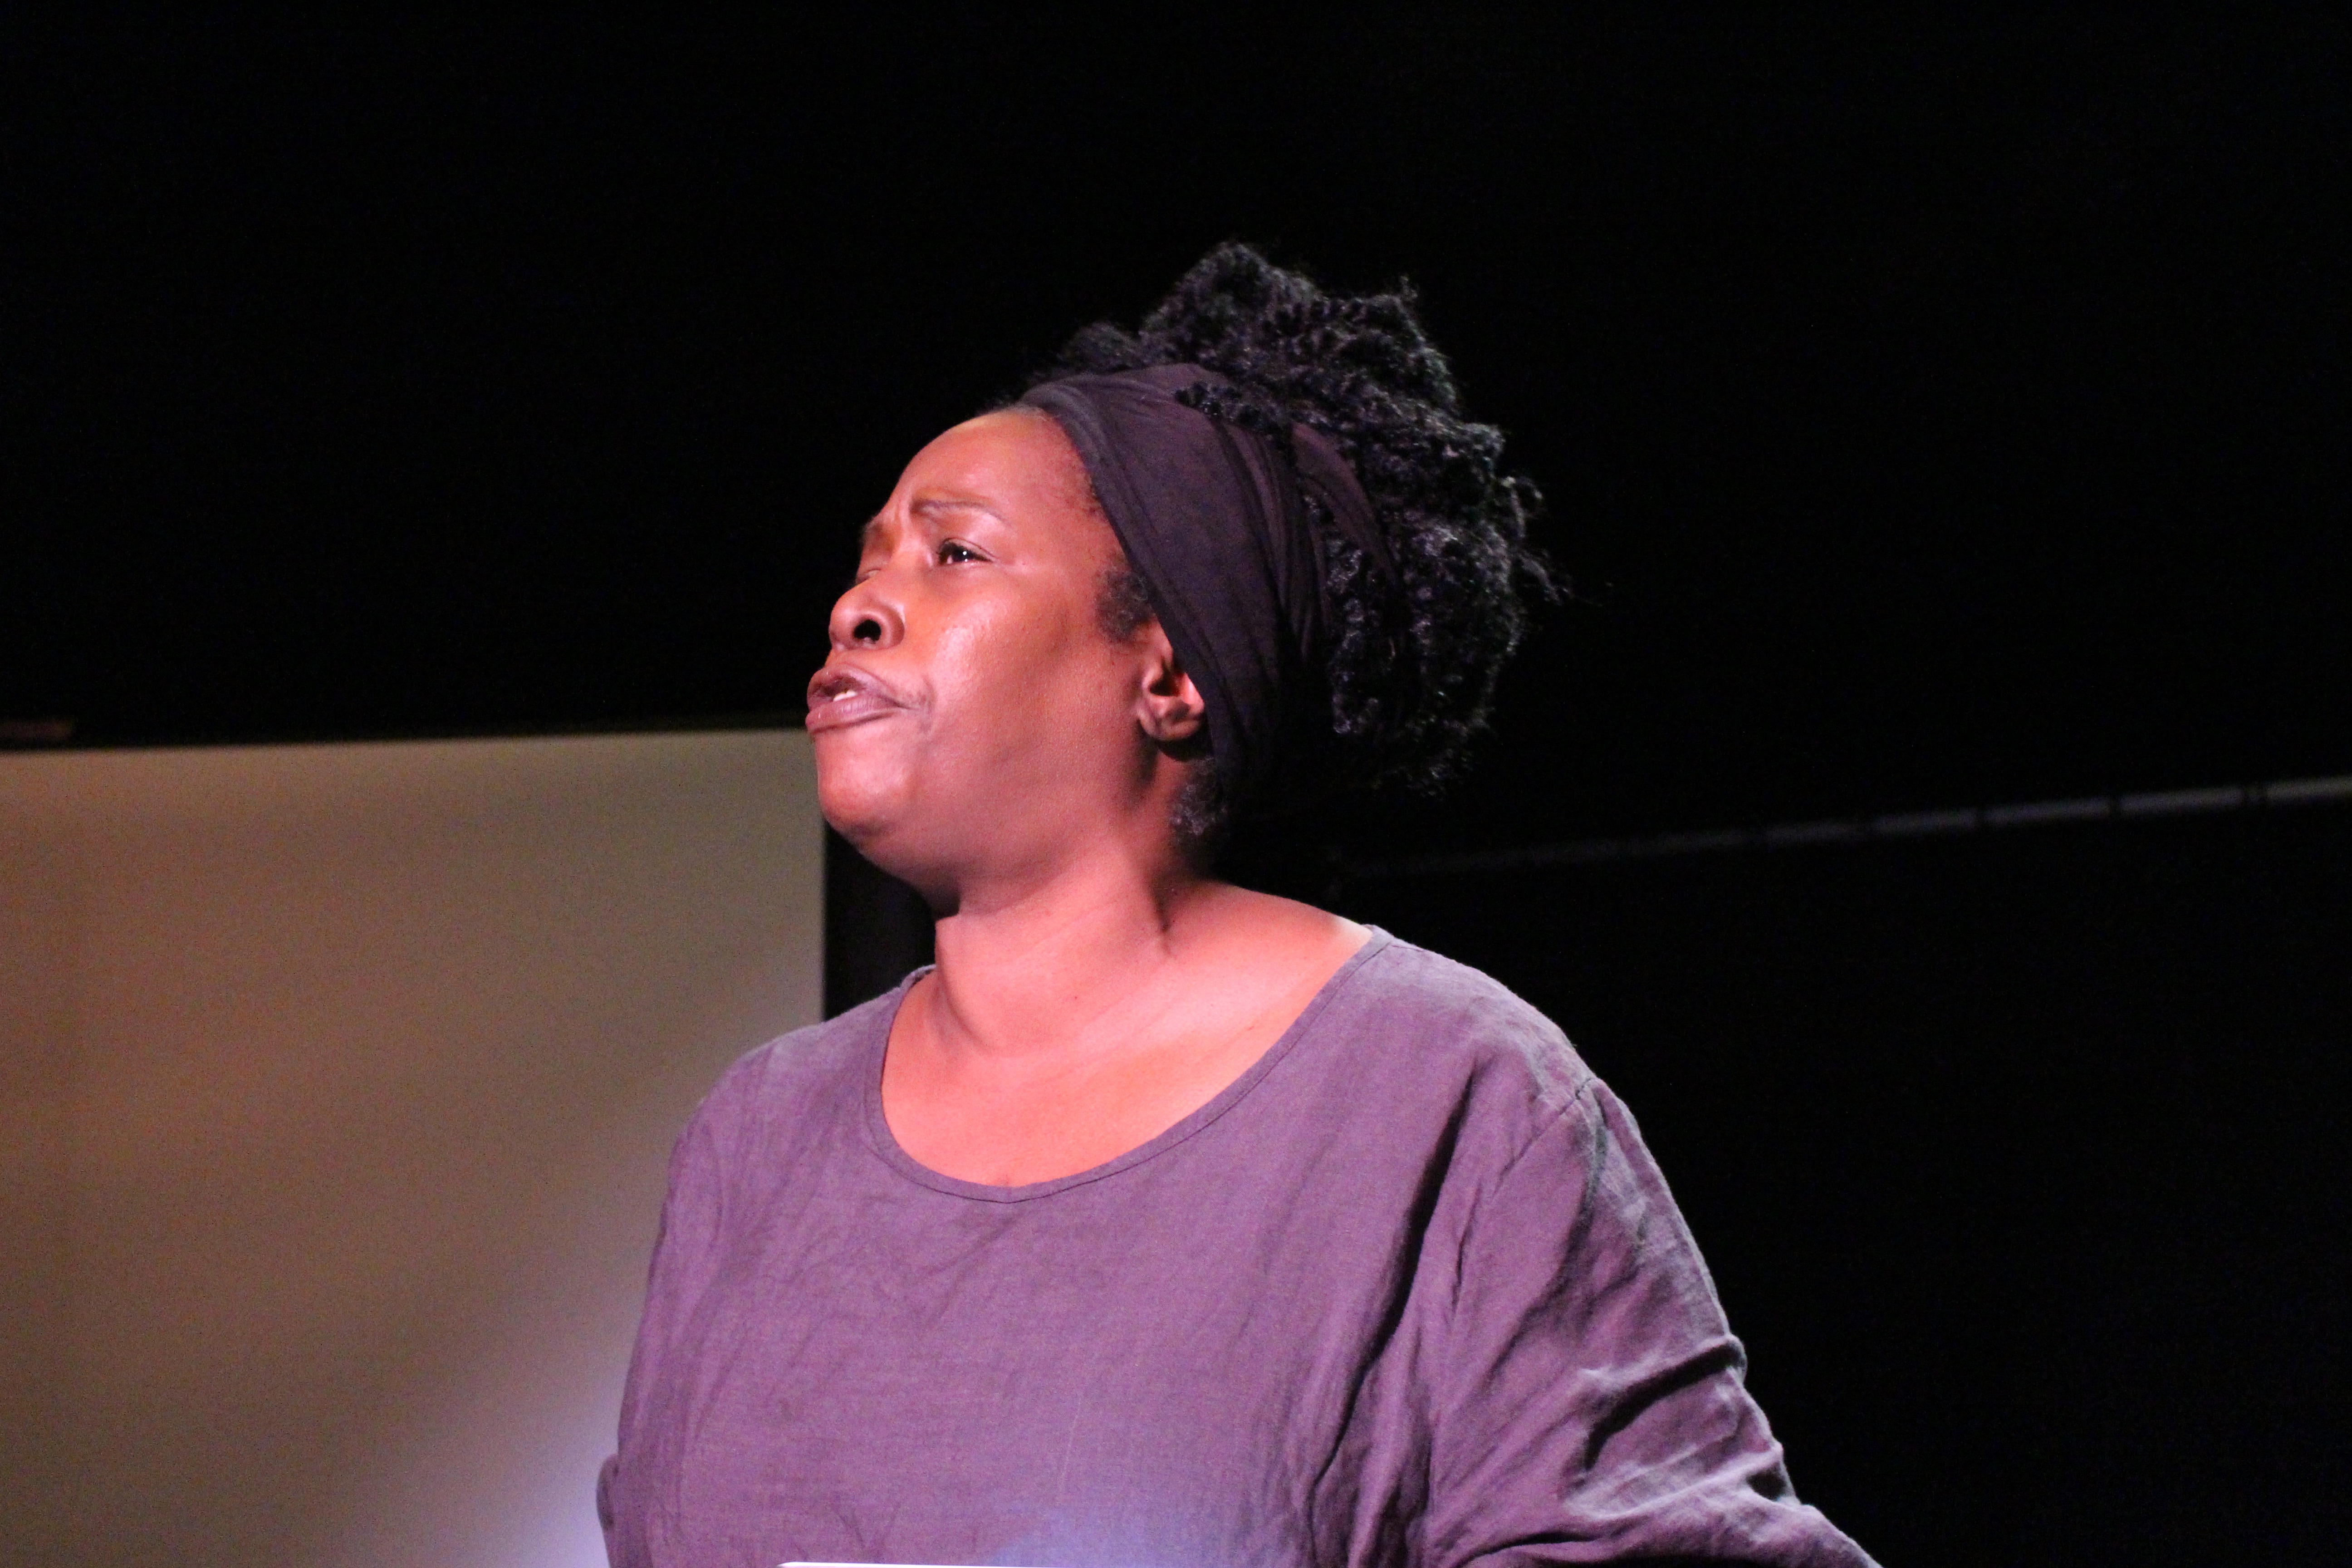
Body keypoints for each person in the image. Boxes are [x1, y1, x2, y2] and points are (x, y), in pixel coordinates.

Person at [599, 245, 1876, 1568]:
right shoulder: (761, 1132)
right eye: (868, 563)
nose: (857, 608)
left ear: (1169, 676)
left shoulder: (1444, 1097)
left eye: (954, 553)